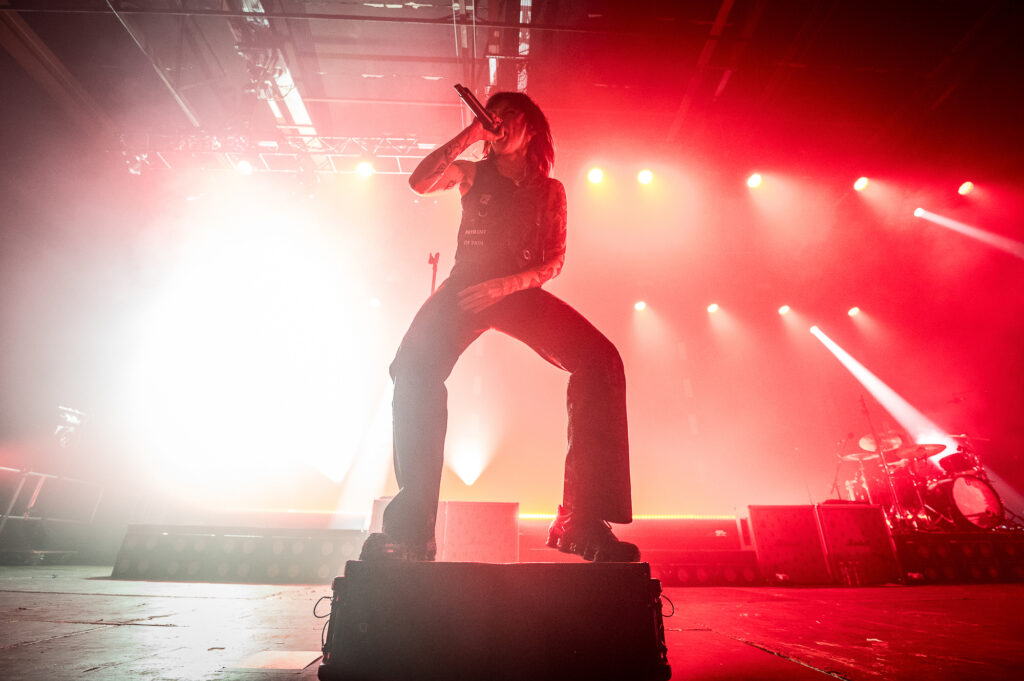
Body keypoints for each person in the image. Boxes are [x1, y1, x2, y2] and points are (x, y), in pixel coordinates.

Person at [359, 91, 639, 563]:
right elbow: (420, 182)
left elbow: (554, 262)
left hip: (517, 291)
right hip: (464, 288)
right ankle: (411, 532)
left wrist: (506, 285)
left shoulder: (550, 191)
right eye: (494, 116)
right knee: (412, 369)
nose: (499, 122)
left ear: (532, 128)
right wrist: (472, 133)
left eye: (511, 116)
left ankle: (580, 520)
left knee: (601, 359)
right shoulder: (473, 173)